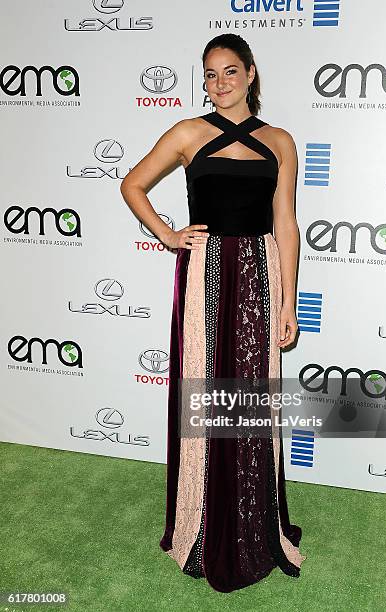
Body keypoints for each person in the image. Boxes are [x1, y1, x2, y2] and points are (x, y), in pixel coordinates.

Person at [120, 32, 306, 593]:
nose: (218, 83)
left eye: (229, 71)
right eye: (209, 74)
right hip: (204, 277)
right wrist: (169, 234)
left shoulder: (279, 141)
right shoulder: (187, 133)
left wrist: (289, 299)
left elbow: (287, 224)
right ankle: (201, 525)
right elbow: (133, 185)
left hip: (258, 276)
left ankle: (252, 525)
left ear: (251, 74)